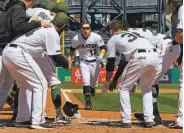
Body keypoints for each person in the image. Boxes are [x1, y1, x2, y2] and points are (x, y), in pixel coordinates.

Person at [2, 12, 70, 129]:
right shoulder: (52, 32)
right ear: (63, 26)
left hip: (8, 51)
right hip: (18, 53)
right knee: (41, 84)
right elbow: (56, 56)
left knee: (24, 86)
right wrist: (67, 65)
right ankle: (38, 120)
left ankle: (22, 119)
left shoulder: (43, 27)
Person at [104, 20, 159, 128]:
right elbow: (123, 62)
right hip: (154, 55)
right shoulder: (133, 34)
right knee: (147, 89)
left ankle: (126, 120)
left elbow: (110, 62)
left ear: (111, 31)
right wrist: (115, 79)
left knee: (124, 89)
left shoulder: (113, 39)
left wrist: (108, 81)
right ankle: (149, 120)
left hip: (139, 56)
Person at [68, 21, 106, 110]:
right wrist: (70, 59)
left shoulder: (96, 37)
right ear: (81, 29)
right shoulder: (76, 38)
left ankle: (92, 88)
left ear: (90, 29)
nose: (86, 30)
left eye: (87, 28)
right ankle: (88, 103)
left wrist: (101, 55)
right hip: (83, 61)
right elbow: (72, 50)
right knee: (85, 82)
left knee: (93, 83)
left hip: (95, 62)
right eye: (84, 28)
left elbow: (103, 48)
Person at [168, 0, 183, 129]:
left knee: (183, 84)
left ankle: (181, 119)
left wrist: (172, 46)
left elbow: (181, 34)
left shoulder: (182, 9)